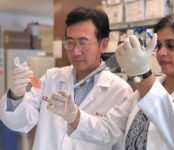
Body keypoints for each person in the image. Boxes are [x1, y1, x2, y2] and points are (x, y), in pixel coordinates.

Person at [47, 13, 174, 150]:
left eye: (171, 46)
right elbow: (110, 129)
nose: (161, 53)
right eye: (158, 46)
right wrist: (73, 115)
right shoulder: (149, 87)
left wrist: (143, 76)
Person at [0, 7, 133, 150]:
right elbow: (20, 122)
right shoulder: (51, 78)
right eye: (70, 42)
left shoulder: (120, 91)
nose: (75, 51)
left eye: (83, 43)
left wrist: (76, 117)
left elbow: (117, 139)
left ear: (104, 45)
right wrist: (16, 96)